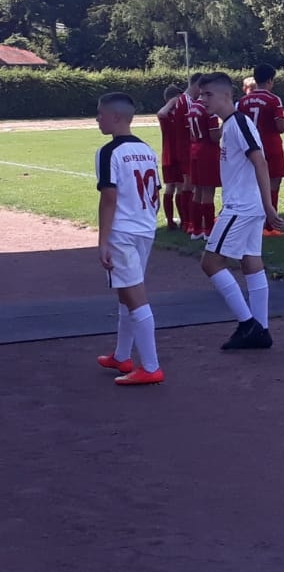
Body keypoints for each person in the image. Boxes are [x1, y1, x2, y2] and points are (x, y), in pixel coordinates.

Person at [195, 72, 284, 350]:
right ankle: (261, 329)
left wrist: (268, 205)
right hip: (247, 205)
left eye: (208, 94)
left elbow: (260, 162)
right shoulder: (230, 124)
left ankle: (249, 324)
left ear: (226, 95)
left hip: (242, 206)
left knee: (210, 263)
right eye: (201, 94)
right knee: (250, 262)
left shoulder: (238, 123)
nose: (202, 100)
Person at [94, 92, 164, 385]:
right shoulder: (147, 149)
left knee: (135, 297)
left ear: (116, 117)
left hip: (122, 231)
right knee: (126, 292)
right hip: (144, 228)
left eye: (100, 114)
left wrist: (102, 241)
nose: (97, 119)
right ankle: (122, 355)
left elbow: (109, 198)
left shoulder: (108, 152)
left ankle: (150, 366)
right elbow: (156, 193)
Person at [238, 65, 284, 233]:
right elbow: (280, 127)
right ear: (270, 80)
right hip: (270, 145)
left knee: (253, 184)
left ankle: (253, 221)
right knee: (273, 182)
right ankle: (270, 224)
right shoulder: (273, 99)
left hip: (250, 147)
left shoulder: (243, 101)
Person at [185, 71, 221, 240]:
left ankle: (196, 229)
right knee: (208, 191)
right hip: (207, 151)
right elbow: (214, 136)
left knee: (197, 190)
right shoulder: (208, 109)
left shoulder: (193, 107)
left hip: (195, 149)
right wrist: (224, 127)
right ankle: (209, 230)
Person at [155, 84, 190, 232]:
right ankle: (170, 220)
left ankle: (183, 220)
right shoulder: (166, 114)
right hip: (170, 154)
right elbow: (161, 113)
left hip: (180, 153)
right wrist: (171, 102)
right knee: (171, 187)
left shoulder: (179, 113)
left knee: (180, 187)